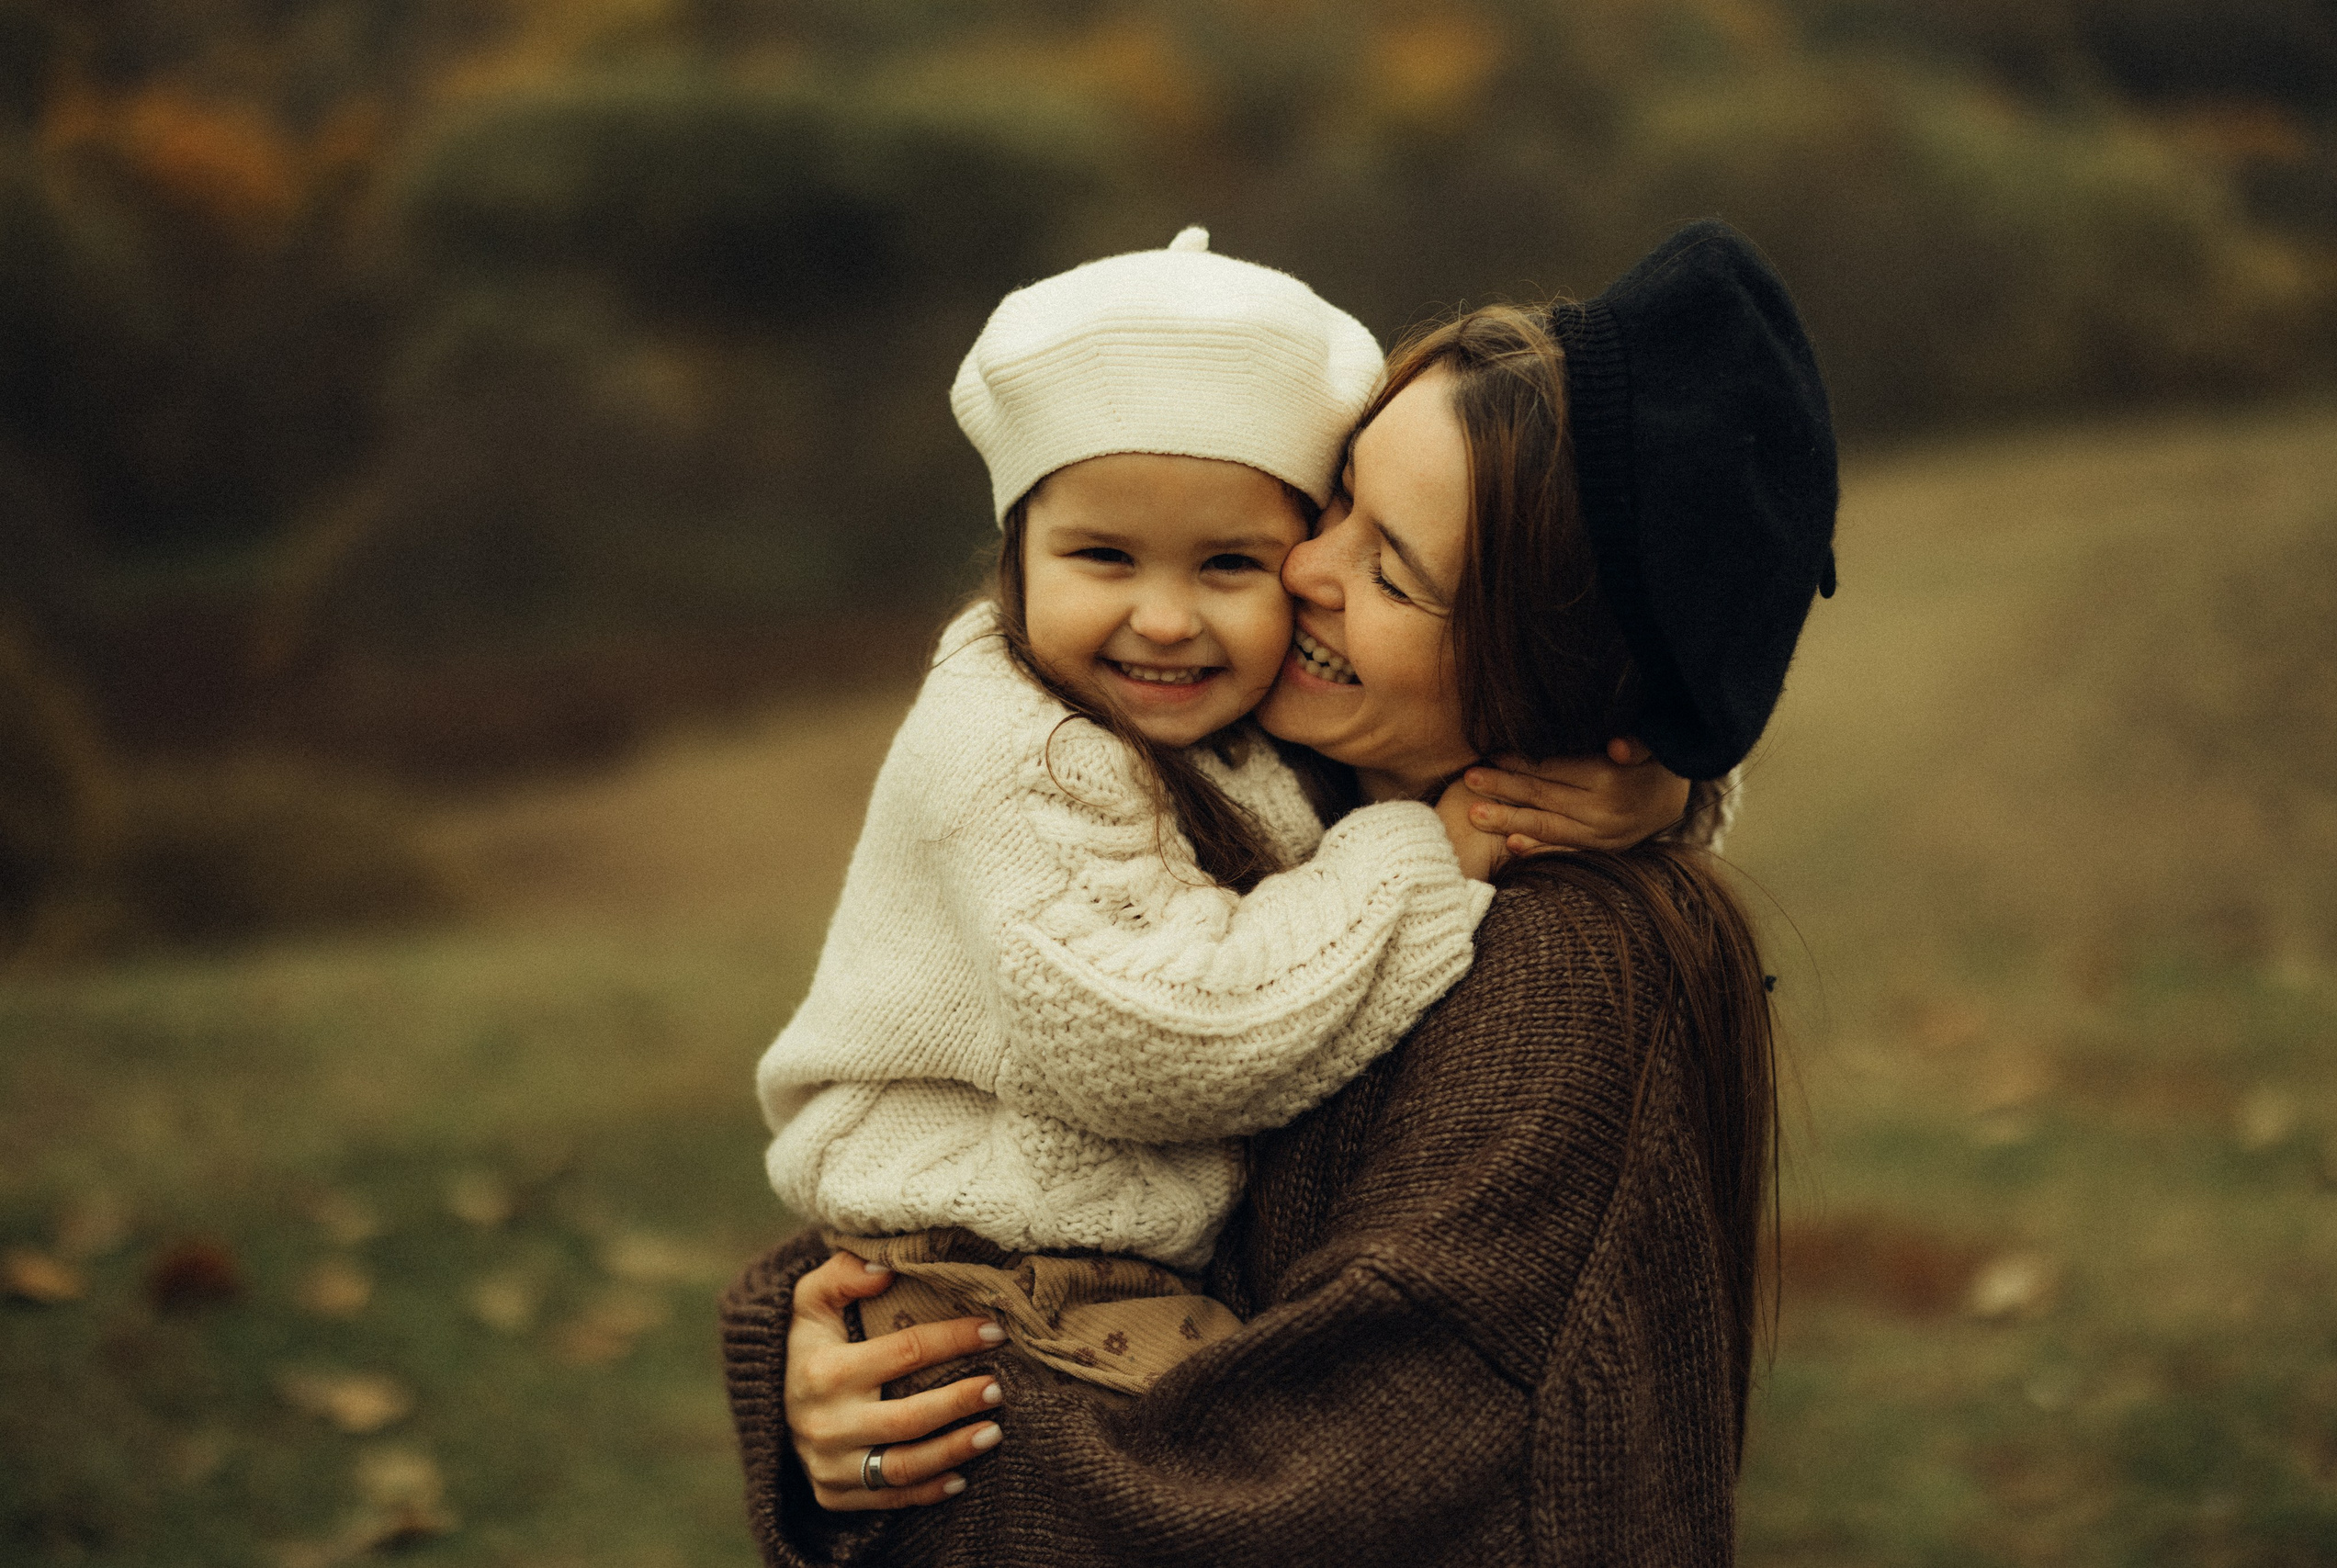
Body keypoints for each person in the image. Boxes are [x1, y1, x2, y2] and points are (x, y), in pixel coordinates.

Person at [721, 218, 1835, 1566]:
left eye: (1388, 566)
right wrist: (820, 1361)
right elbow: (1027, 1116)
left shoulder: (1562, 981)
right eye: (1340, 500)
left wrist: (932, 1466)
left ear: (1549, 671)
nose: (1299, 566)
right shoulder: (1304, 780)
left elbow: (1301, 1500)